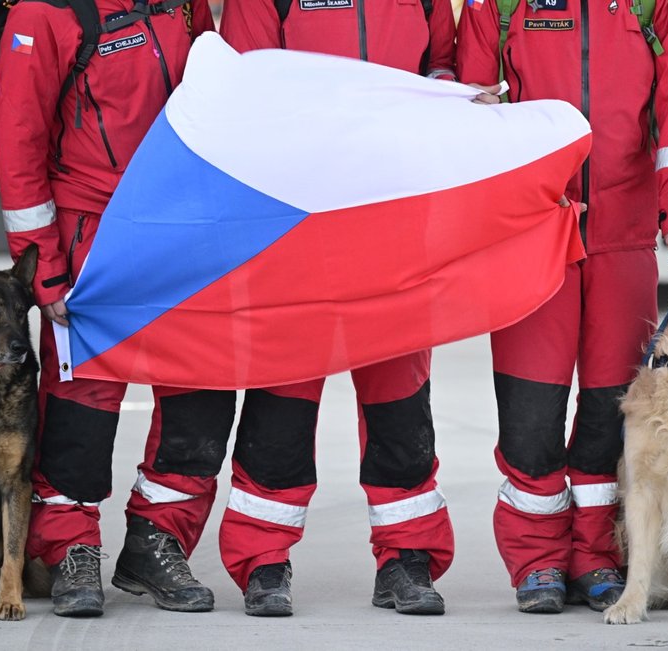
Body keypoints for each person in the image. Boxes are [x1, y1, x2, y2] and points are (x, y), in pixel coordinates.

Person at [456, 0, 668, 613]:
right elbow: (465, 102)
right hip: (529, 236)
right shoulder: (499, 7)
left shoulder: (652, 8)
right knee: (530, 410)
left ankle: (597, 556)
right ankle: (538, 561)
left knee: (609, 409)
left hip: (621, 239)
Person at [217, 0, 457, 618]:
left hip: (395, 221)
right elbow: (244, 90)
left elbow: (444, 70)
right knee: (282, 401)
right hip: (299, 223)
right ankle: (263, 562)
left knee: (400, 399)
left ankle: (407, 560)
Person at [0, 0, 228, 617]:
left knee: (200, 394)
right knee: (82, 406)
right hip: (92, 235)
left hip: (183, 228)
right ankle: (71, 547)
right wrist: (44, 267)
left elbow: (215, 84)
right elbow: (19, 142)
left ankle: (159, 540)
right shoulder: (43, 15)